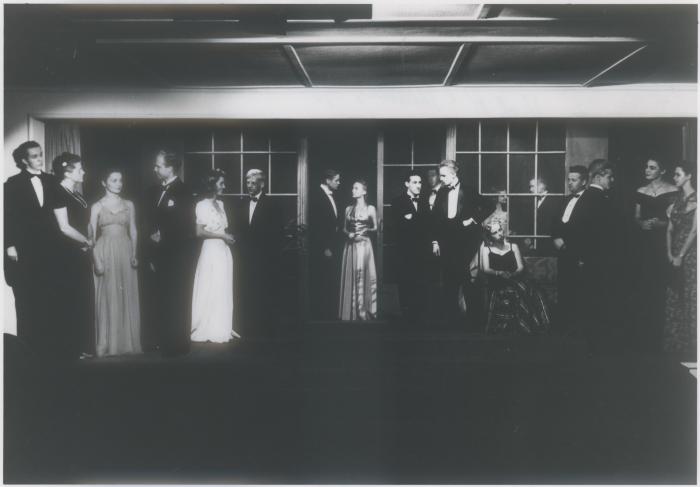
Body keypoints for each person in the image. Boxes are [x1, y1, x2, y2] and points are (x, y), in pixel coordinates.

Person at [4, 141, 61, 358]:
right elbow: (7, 217)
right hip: (24, 250)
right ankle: (27, 352)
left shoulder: (51, 180)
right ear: (24, 160)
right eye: (35, 156)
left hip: (49, 250)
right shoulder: (12, 184)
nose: (39, 159)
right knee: (26, 299)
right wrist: (10, 245)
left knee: (48, 298)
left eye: (40, 155)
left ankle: (48, 350)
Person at [431, 159, 494, 327]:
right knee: (449, 282)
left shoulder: (469, 191)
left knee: (468, 282)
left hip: (466, 243)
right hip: (446, 243)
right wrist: (435, 241)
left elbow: (490, 205)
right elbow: (435, 219)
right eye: (440, 175)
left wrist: (473, 219)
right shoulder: (442, 193)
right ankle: (451, 323)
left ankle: (474, 323)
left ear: (453, 174)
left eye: (443, 176)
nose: (441, 179)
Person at [144, 150, 195, 357]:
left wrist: (162, 235)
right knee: (160, 297)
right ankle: (162, 340)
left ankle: (179, 344)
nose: (155, 169)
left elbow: (186, 224)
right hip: (157, 253)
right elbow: (147, 219)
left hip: (177, 254)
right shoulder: (152, 191)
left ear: (169, 167)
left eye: (158, 166)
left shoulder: (185, 191)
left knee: (178, 297)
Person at [89, 169, 142, 357]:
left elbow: (133, 230)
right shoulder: (97, 206)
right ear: (104, 182)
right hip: (105, 251)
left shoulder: (129, 204)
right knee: (108, 295)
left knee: (126, 294)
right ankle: (107, 344)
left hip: (125, 250)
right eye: (114, 180)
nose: (119, 183)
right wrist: (96, 260)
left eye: (120, 180)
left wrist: (135, 253)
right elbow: (91, 237)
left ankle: (126, 343)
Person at [51, 152, 94, 360]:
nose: (83, 171)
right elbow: (64, 227)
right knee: (70, 299)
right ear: (67, 171)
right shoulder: (58, 192)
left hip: (80, 253)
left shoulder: (77, 193)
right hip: (67, 255)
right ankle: (70, 348)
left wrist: (87, 242)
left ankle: (80, 346)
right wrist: (85, 241)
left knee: (81, 298)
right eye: (80, 168)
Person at [633, 158, 678, 353]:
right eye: (646, 166)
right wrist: (641, 224)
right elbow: (636, 216)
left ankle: (662, 332)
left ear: (663, 171)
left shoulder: (672, 190)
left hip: (663, 242)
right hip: (644, 244)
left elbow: (676, 218)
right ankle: (644, 334)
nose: (647, 170)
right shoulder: (641, 191)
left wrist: (662, 225)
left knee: (661, 284)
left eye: (652, 167)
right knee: (645, 284)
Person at [234, 169, 284, 339]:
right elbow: (238, 231)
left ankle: (265, 332)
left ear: (262, 184)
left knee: (264, 296)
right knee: (246, 294)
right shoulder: (241, 204)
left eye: (253, 183)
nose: (249, 186)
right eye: (247, 183)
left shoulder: (273, 205)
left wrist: (271, 259)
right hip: (245, 259)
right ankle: (248, 331)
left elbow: (277, 235)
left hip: (265, 260)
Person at [191, 169, 239, 343]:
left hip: (223, 250)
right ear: (211, 185)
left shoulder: (222, 204)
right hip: (211, 249)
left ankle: (222, 324)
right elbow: (199, 232)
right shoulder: (201, 205)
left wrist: (227, 237)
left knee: (222, 285)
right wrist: (222, 236)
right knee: (210, 285)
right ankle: (208, 325)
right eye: (221, 183)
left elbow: (222, 228)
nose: (224, 186)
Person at [479, 221, 551, 335]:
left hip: (514, 278)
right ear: (490, 236)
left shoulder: (513, 246)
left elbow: (520, 267)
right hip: (498, 281)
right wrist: (499, 273)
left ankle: (533, 327)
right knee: (517, 290)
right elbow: (485, 269)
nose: (499, 233)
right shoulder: (486, 249)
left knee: (534, 291)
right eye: (495, 232)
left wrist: (512, 274)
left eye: (500, 230)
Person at [551, 165, 591, 334]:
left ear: (584, 181)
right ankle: (564, 330)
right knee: (564, 290)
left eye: (574, 180)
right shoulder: (565, 200)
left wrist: (577, 251)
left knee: (579, 293)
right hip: (563, 253)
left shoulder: (590, 201)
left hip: (580, 255)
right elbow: (554, 225)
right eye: (569, 179)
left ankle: (578, 331)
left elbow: (588, 231)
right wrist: (556, 239)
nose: (570, 183)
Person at [664, 161, 696, 355]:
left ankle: (693, 344)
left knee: (691, 294)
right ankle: (677, 344)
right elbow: (669, 230)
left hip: (691, 255)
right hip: (674, 252)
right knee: (675, 294)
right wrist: (669, 253)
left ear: (689, 175)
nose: (675, 178)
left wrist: (682, 255)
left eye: (678, 174)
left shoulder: (697, 199)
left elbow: (694, 231)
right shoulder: (675, 202)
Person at [391, 171, 431, 323]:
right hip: (405, 251)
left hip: (422, 250)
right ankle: (407, 317)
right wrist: (414, 221)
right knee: (406, 283)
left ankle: (420, 318)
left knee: (421, 283)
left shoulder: (425, 201)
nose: (418, 185)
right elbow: (396, 227)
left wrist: (412, 219)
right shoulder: (397, 202)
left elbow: (428, 225)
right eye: (414, 182)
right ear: (407, 184)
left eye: (420, 182)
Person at [339, 180, 378, 321]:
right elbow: (344, 227)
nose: (353, 190)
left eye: (356, 188)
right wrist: (348, 233)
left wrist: (367, 230)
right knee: (352, 274)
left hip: (364, 244)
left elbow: (376, 227)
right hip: (351, 245)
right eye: (353, 188)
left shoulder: (371, 209)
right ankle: (352, 312)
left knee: (362, 274)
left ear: (364, 191)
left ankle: (364, 311)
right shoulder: (348, 209)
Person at [309, 169, 342, 319]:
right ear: (328, 181)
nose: (339, 183)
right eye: (336, 180)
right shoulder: (317, 196)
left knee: (330, 279)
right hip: (323, 247)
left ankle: (329, 312)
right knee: (322, 280)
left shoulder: (331, 196)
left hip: (332, 245)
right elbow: (316, 225)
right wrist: (325, 247)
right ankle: (321, 314)